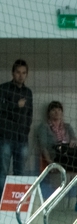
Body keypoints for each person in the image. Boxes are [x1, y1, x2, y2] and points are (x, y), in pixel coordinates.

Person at [0, 59, 33, 190]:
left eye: (24, 73)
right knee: (3, 171)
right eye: (18, 72)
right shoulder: (3, 89)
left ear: (26, 74)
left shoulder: (28, 93)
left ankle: (17, 205)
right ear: (13, 73)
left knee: (21, 173)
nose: (21, 75)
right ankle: (2, 206)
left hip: (22, 138)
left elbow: (29, 114)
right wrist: (16, 105)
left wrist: (26, 131)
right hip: (6, 137)